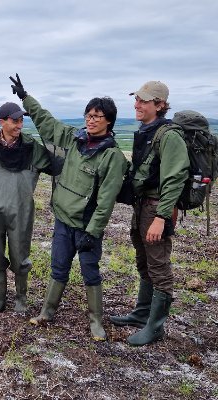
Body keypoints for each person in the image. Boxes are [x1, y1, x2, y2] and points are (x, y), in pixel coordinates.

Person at [10, 74, 127, 340]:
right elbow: (47, 122)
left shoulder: (113, 157)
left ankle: (96, 321)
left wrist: (93, 231)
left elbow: (107, 200)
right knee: (58, 267)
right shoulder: (75, 138)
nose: (91, 119)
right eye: (88, 114)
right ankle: (47, 312)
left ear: (109, 121)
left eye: (98, 116)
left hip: (86, 226)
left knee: (90, 272)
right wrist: (25, 97)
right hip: (63, 219)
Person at [110, 81, 190, 346]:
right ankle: (142, 313)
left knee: (159, 265)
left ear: (160, 104)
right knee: (143, 260)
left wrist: (161, 217)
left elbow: (175, 178)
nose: (137, 104)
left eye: (143, 100)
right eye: (137, 100)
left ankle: (155, 327)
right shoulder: (148, 131)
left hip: (157, 208)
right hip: (142, 205)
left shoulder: (169, 135)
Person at [0, 102, 53, 313]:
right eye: (15, 120)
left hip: (21, 209)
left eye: (21, 120)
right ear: (2, 122)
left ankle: (21, 298)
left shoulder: (31, 146)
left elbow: (53, 165)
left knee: (20, 253)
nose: (19, 125)